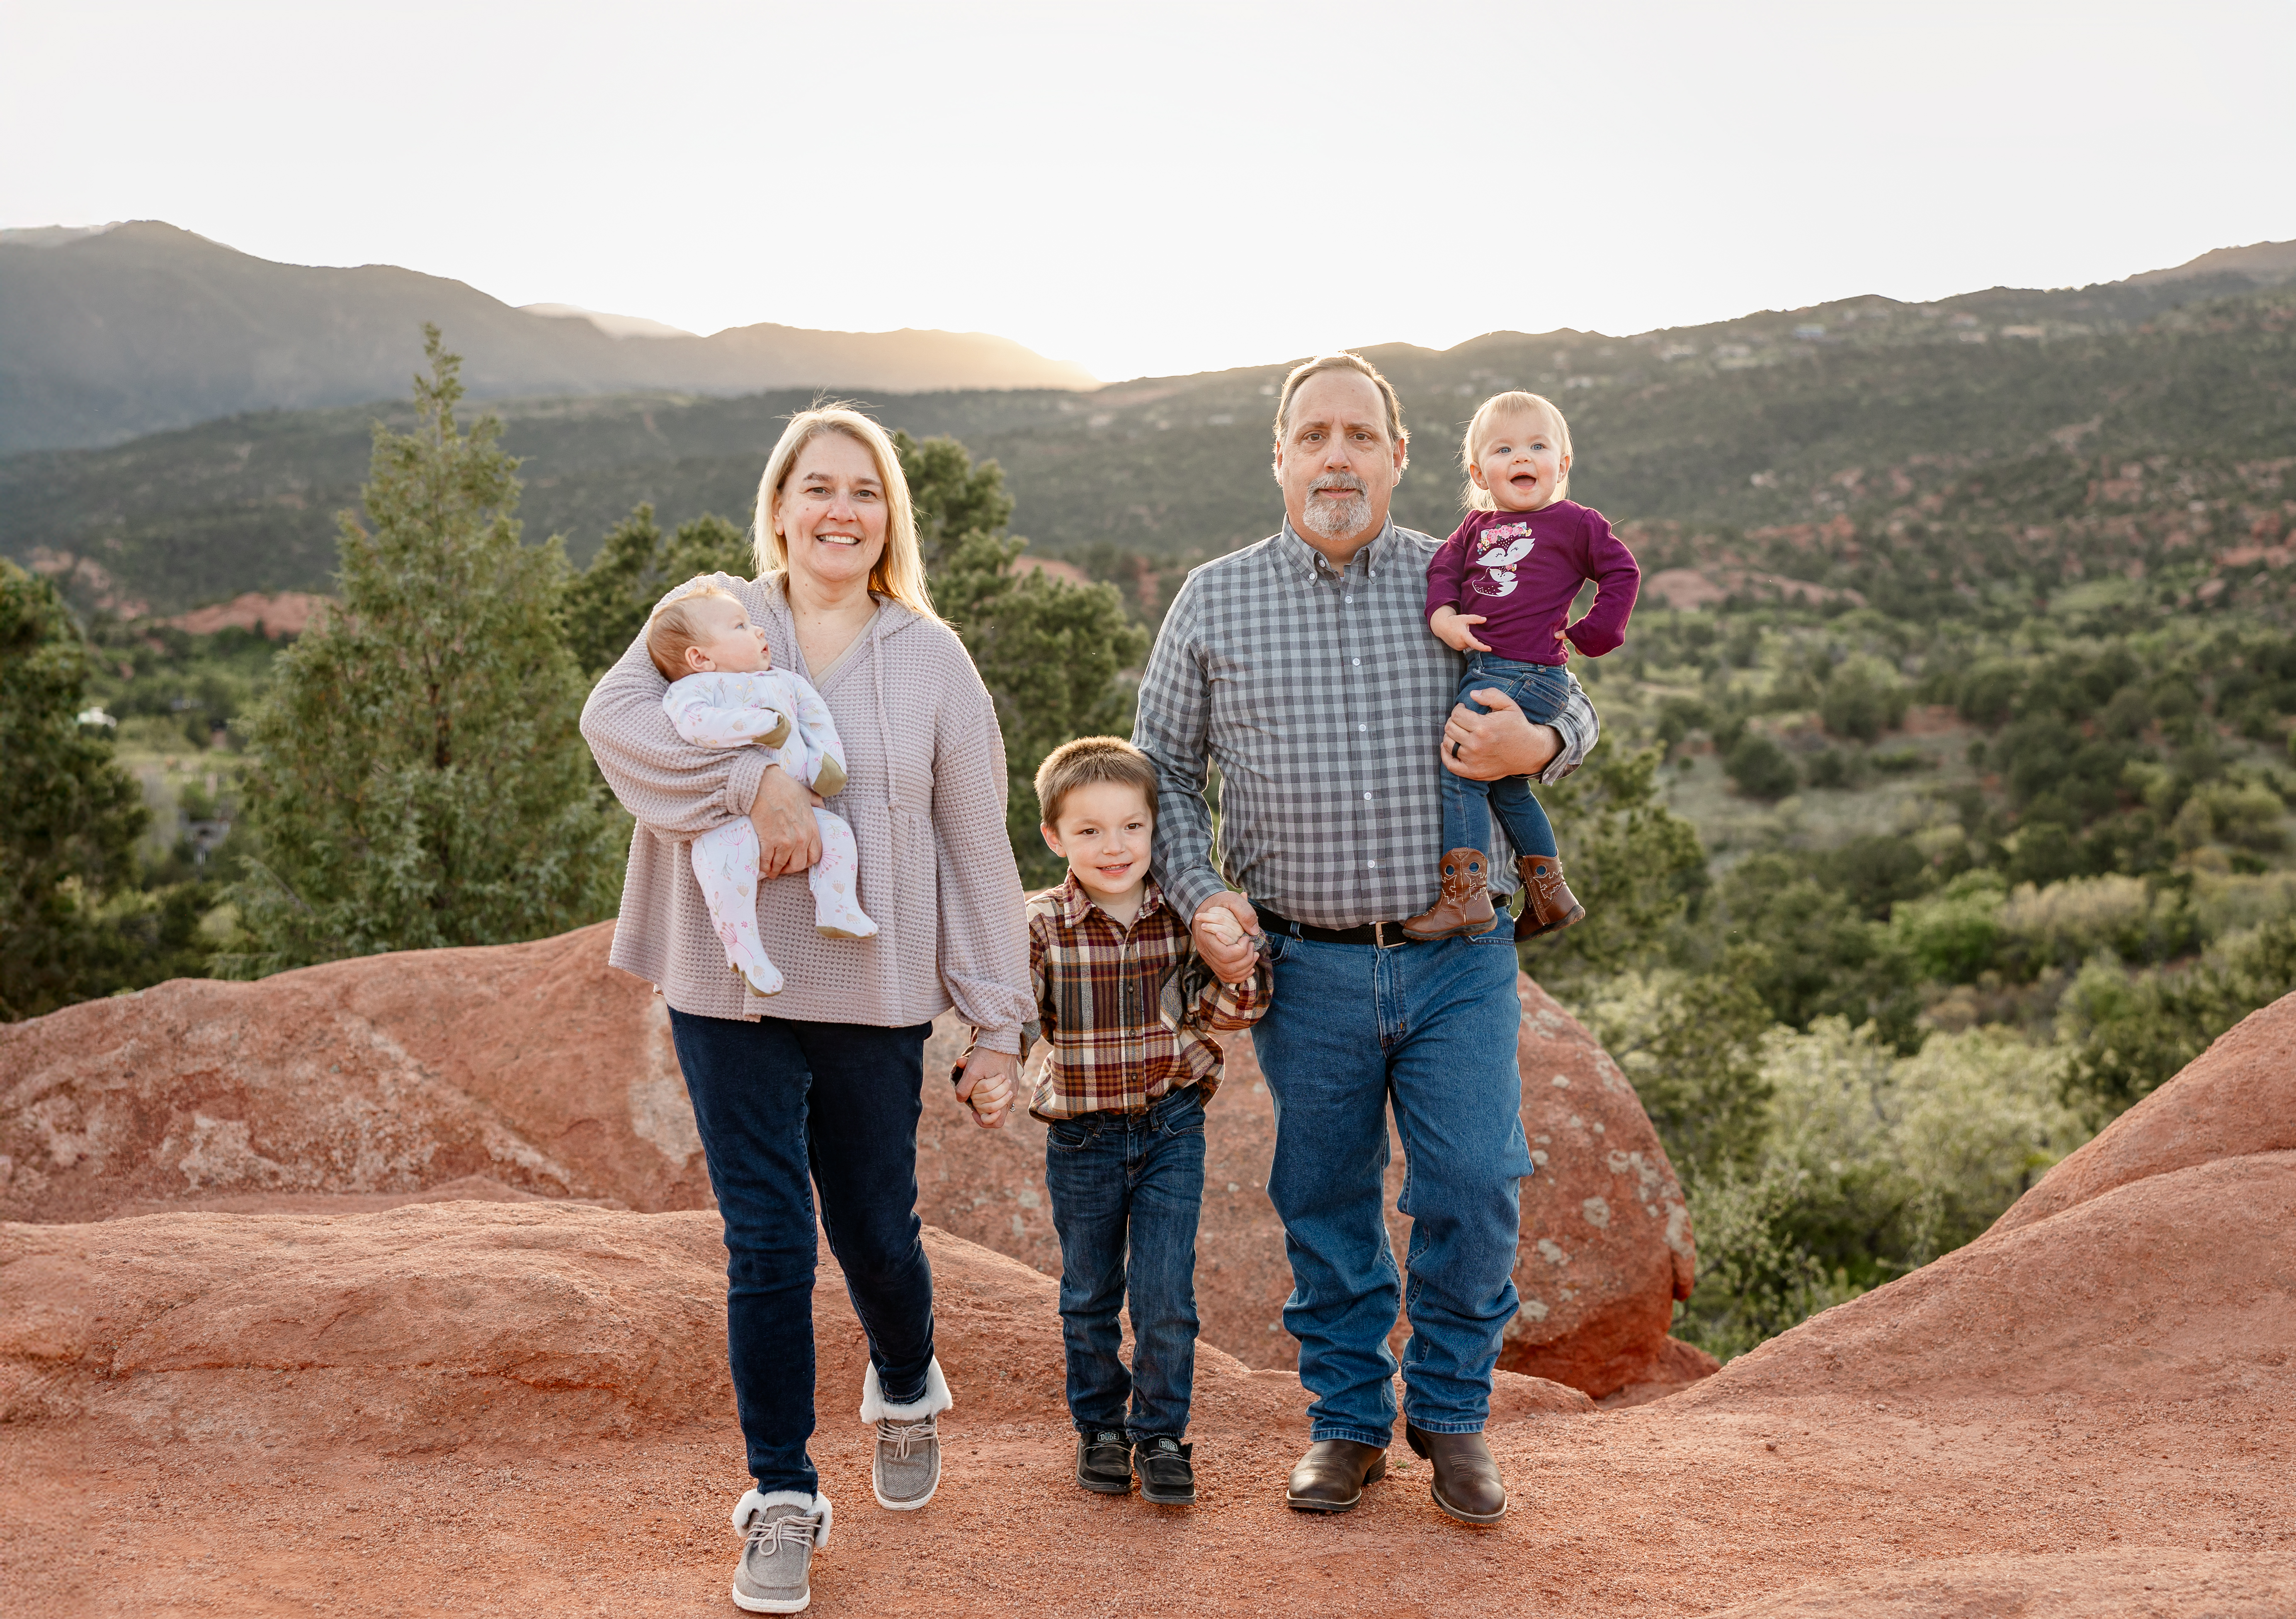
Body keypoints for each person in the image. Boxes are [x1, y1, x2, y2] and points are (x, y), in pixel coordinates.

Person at [1131, 352, 1597, 1526]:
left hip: (1458, 959)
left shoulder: (1469, 575)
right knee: (1325, 1195)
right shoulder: (1214, 597)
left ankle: (1449, 1414)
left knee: (1476, 1183)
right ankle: (1345, 1424)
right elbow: (1163, 777)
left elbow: (1569, 698)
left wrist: (1539, 752)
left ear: (1397, 456)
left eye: (1359, 435)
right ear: (1279, 457)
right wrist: (1200, 898)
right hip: (1306, 965)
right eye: (1312, 435)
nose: (1335, 455)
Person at [580, 405, 1031, 1616]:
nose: (841, 509)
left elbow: (974, 840)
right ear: (777, 504)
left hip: (873, 986)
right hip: (725, 983)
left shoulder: (930, 656)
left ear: (891, 517)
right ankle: (782, 1494)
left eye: (866, 491)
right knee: (768, 1239)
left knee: (876, 1229)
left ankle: (903, 1373)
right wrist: (752, 779)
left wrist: (998, 1022)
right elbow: (612, 723)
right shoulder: (717, 614)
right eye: (817, 486)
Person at [998, 735, 1271, 1508]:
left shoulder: (1185, 918)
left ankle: (1159, 1431)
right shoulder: (1038, 924)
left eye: (1130, 828)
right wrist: (988, 1064)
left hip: (1171, 1125)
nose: (1113, 847)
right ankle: (1099, 1427)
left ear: (1157, 830)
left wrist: (1235, 966)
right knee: (1088, 1291)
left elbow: (1229, 1016)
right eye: (1088, 831)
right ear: (1054, 837)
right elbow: (1014, 1017)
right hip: (1080, 1137)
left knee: (1163, 1293)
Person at [1403, 391, 1640, 942]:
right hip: (1490, 669)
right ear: (1478, 470)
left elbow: (1621, 571)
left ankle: (1464, 897)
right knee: (1506, 788)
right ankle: (1550, 895)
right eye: (1503, 448)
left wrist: (1593, 631)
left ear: (1561, 464)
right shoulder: (1474, 528)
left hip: (1526, 672)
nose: (1520, 458)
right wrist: (1443, 617)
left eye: (1537, 446)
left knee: (1459, 767)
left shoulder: (1574, 523)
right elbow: (1443, 568)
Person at [647, 581, 876, 997]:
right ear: (700, 658)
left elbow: (815, 719)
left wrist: (826, 763)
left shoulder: (784, 681)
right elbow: (697, 727)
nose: (758, 631)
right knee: (726, 878)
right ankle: (743, 948)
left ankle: (836, 903)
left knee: (839, 835)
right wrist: (757, 725)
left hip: (806, 805)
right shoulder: (694, 690)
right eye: (740, 626)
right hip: (728, 824)